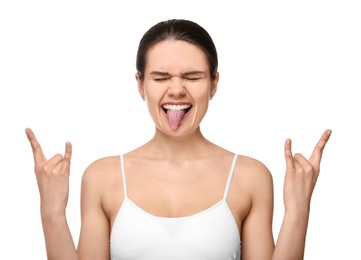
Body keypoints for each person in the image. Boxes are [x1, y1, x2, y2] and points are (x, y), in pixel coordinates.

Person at [26, 19, 332, 260]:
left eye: (193, 77)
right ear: (140, 85)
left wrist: (298, 209)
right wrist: (51, 210)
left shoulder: (250, 176)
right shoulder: (101, 177)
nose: (176, 90)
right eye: (160, 78)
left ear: (214, 84)